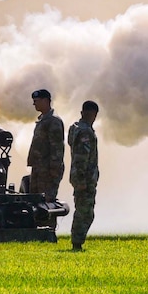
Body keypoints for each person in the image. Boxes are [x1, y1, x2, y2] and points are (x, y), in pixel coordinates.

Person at [68, 101, 100, 251]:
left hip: (80, 177)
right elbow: (81, 157)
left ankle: (77, 241)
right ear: (94, 114)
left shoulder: (74, 128)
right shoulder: (85, 132)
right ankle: (77, 243)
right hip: (84, 178)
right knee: (85, 212)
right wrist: (81, 180)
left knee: (82, 209)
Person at [27, 89, 65, 202]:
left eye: (36, 101)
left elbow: (57, 148)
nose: (34, 104)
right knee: (34, 202)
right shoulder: (43, 120)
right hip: (39, 169)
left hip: (48, 171)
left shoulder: (53, 121)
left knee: (46, 203)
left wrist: (54, 169)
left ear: (46, 101)